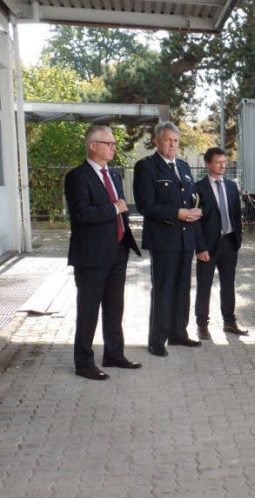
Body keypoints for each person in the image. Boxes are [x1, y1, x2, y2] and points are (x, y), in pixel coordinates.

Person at [64, 125, 142, 380]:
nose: (112, 147)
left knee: (114, 307)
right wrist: (114, 209)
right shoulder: (78, 176)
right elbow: (82, 214)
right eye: (108, 143)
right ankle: (84, 363)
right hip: (91, 256)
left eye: (113, 143)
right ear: (92, 145)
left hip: (118, 251)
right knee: (88, 310)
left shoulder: (114, 175)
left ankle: (114, 355)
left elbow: (121, 210)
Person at [133, 121, 202, 357]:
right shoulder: (147, 167)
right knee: (163, 289)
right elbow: (146, 206)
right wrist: (177, 213)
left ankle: (178, 333)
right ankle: (157, 339)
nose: (172, 144)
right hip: (163, 239)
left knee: (182, 289)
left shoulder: (183, 165)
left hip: (185, 238)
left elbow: (189, 197)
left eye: (175, 140)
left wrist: (194, 210)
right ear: (157, 141)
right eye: (167, 140)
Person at [193, 147, 248, 341]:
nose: (223, 165)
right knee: (204, 286)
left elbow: (236, 214)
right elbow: (195, 221)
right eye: (218, 162)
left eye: (224, 161)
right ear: (208, 164)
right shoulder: (198, 187)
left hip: (229, 243)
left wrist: (238, 238)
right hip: (207, 246)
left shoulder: (232, 186)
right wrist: (200, 247)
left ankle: (229, 322)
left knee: (228, 285)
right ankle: (202, 325)